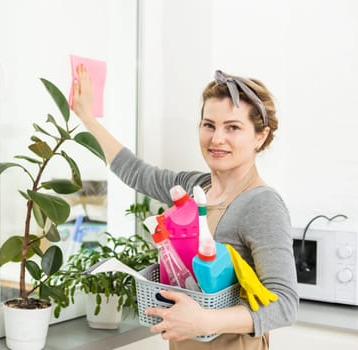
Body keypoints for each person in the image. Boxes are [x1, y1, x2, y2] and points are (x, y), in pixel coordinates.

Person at [71, 65, 298, 350]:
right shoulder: (194, 188)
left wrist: (207, 321)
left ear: (260, 136)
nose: (217, 139)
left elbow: (284, 304)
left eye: (233, 127)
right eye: (208, 125)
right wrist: (86, 116)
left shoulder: (261, 204)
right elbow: (135, 172)